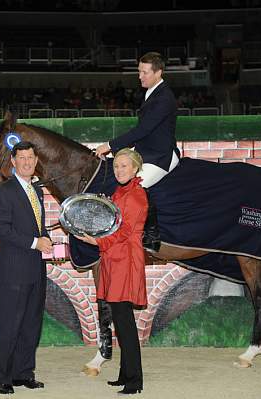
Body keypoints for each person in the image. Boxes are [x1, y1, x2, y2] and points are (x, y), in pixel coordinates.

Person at [75, 148, 148, 395]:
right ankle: (124, 374)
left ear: (135, 169)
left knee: (125, 322)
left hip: (125, 261)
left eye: (124, 166)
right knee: (120, 319)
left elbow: (124, 232)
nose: (119, 170)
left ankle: (135, 381)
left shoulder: (136, 196)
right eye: (116, 166)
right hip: (114, 259)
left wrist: (96, 242)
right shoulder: (120, 192)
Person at [94, 51, 180, 252]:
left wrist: (109, 145)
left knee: (136, 185)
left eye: (144, 72)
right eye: (139, 72)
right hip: (146, 151)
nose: (140, 76)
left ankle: (151, 235)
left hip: (161, 156)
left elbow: (143, 130)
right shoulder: (152, 92)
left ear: (158, 72)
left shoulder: (164, 97)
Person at [0, 141, 53, 395]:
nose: (27, 162)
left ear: (36, 160)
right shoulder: (5, 192)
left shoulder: (36, 189)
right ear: (13, 162)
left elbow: (37, 227)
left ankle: (23, 373)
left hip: (36, 269)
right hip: (14, 270)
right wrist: (36, 242)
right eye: (22, 158)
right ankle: (1, 377)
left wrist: (48, 243)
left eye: (31, 157)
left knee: (31, 324)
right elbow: (2, 231)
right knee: (8, 324)